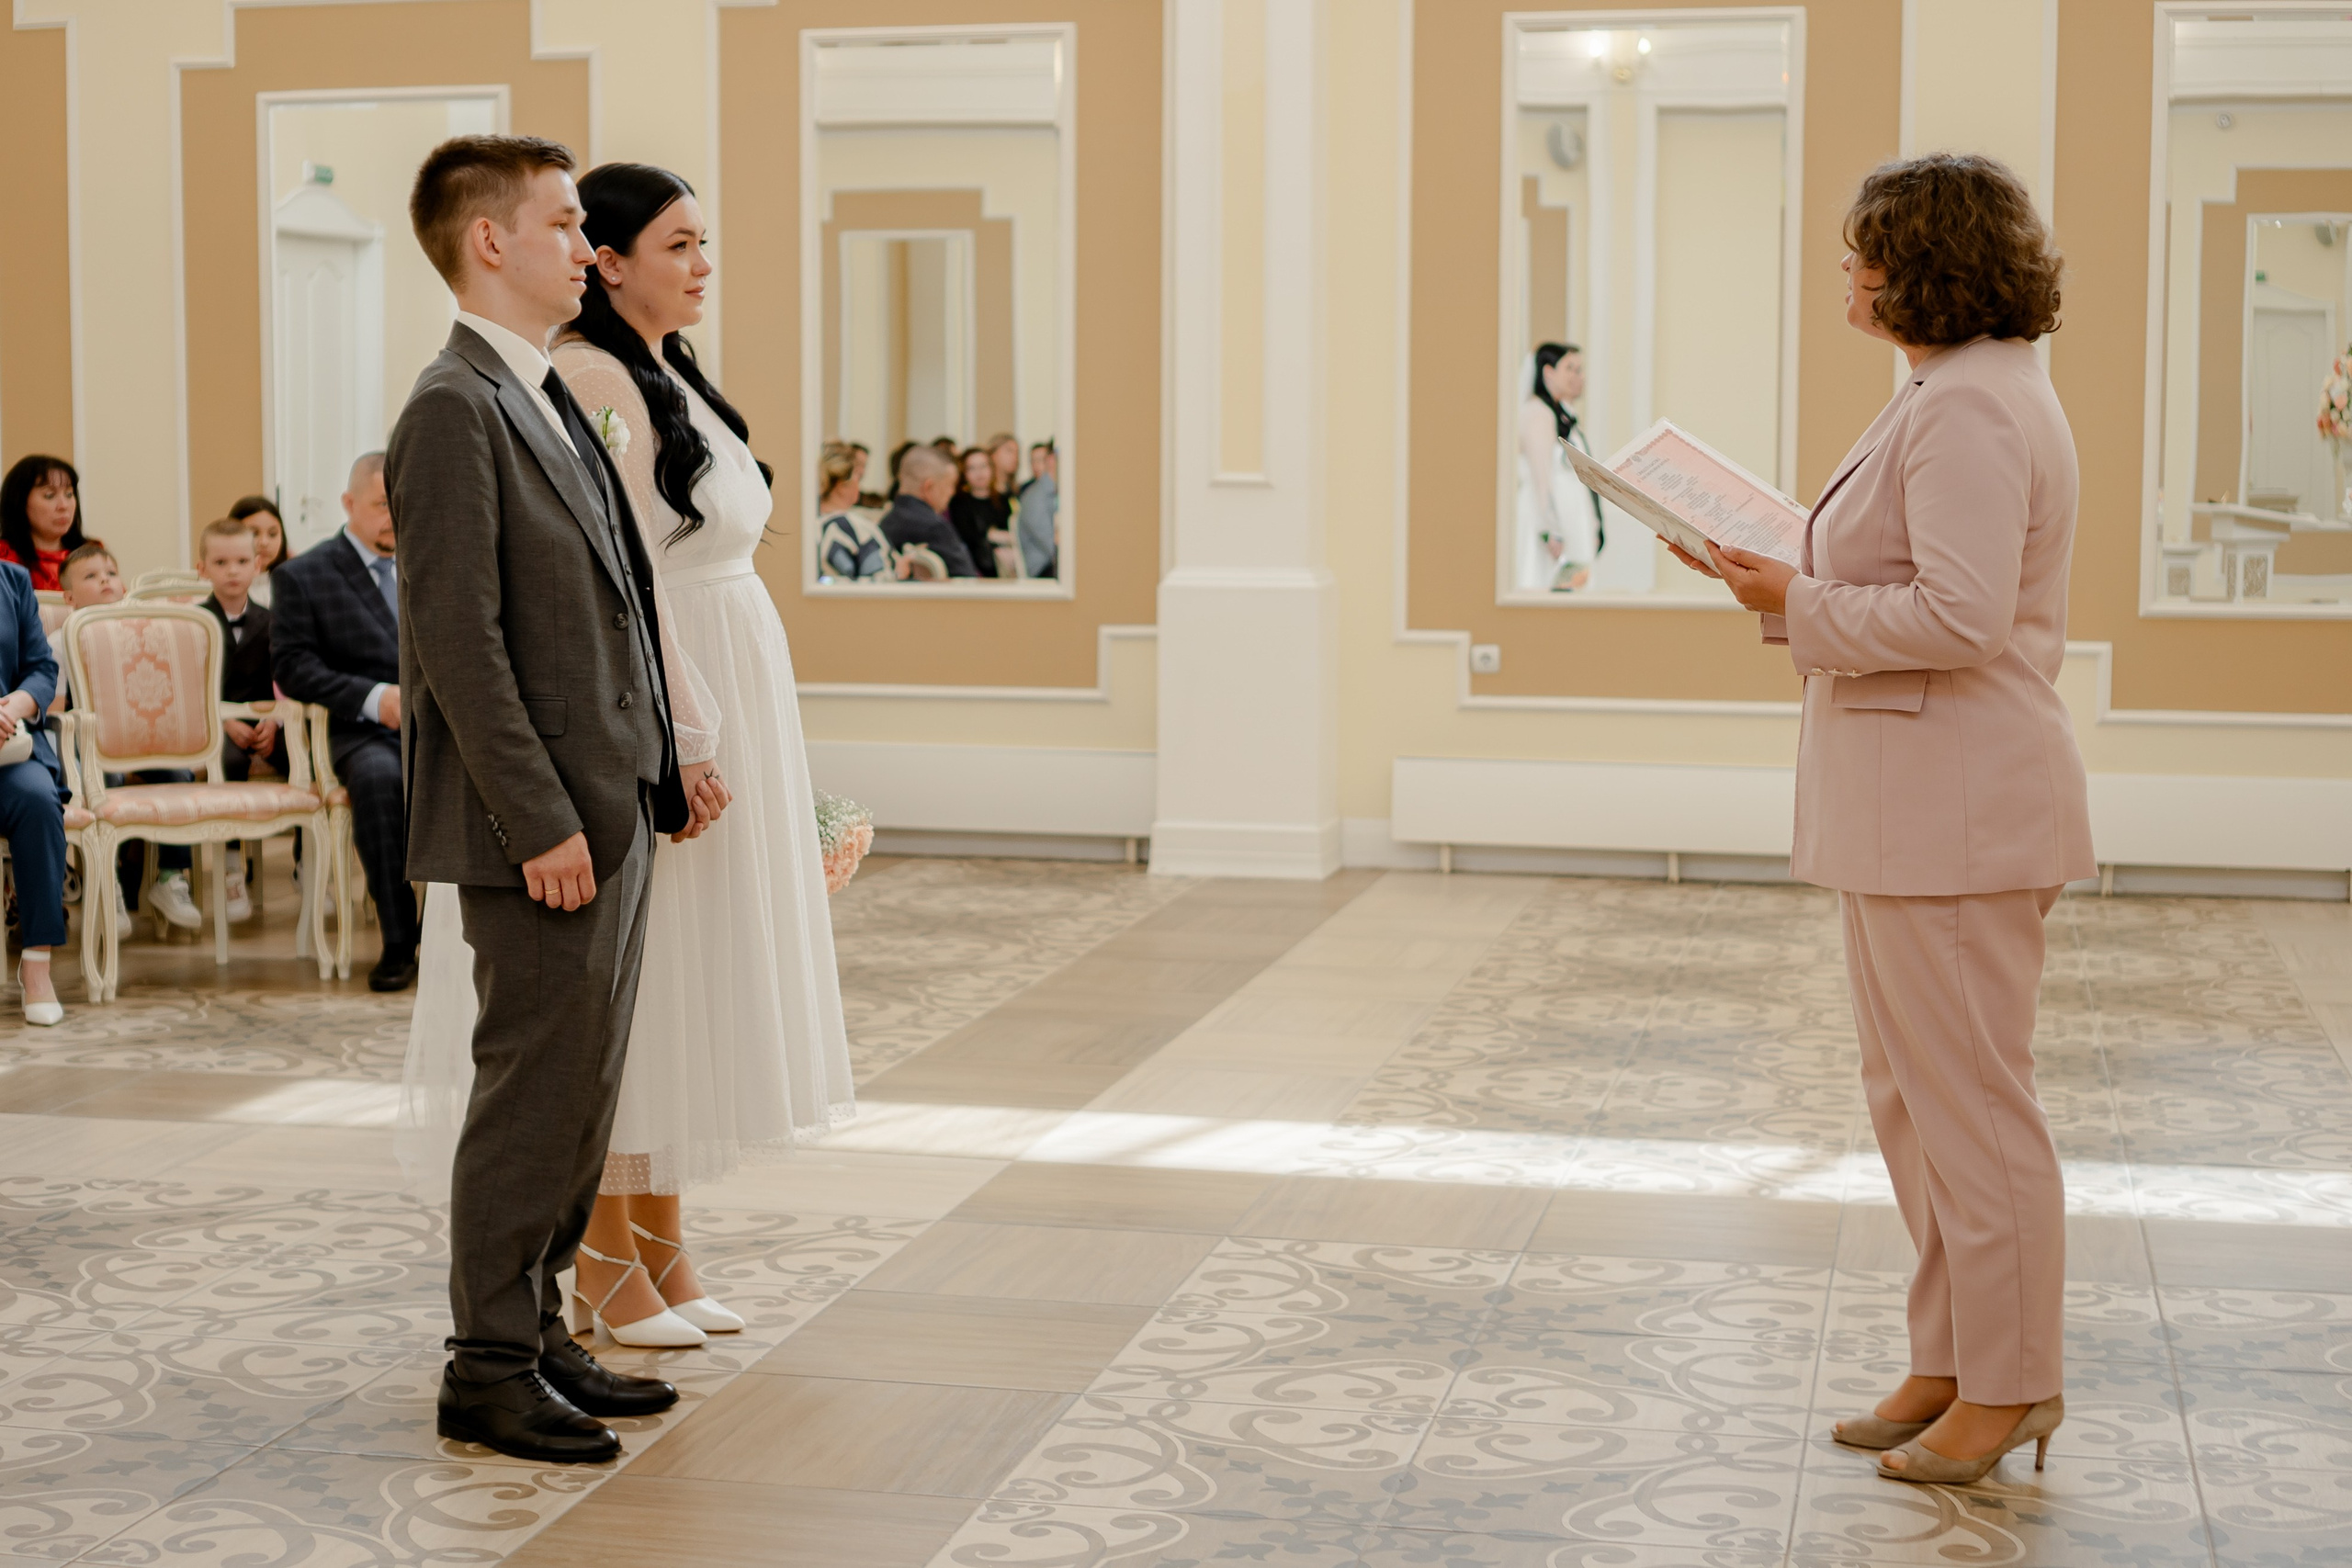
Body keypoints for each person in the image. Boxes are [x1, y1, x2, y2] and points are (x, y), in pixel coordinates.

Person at [1671, 152, 2086, 1487]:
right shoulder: (1954, 390)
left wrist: (1790, 603)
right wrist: (1782, 567)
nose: (1848, 274)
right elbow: (1911, 569)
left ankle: (2014, 1381)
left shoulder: (1969, 406)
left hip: (1956, 809)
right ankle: (1953, 1353)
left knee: (1971, 1106)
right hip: (1920, 807)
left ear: (1928, 264)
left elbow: (1960, 618)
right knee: (1914, 1102)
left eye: (1867, 252)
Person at [404, 158, 854, 1355]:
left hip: (714, 676)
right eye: (679, 243)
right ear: (598, 254)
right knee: (626, 1005)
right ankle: (593, 1265)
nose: (702, 264)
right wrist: (682, 739)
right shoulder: (563, 383)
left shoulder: (656, 372)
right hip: (646, 701)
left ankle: (656, 1239)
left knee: (681, 979)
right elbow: (621, 579)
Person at [387, 132, 725, 1466]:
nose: (586, 245)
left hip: (609, 798)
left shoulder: (541, 389)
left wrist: (657, 759)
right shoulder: (450, 406)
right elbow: (457, 643)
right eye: (565, 223)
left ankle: (542, 1328)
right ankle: (486, 1362)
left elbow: (618, 601)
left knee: (583, 1080)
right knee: (530, 1085)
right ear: (489, 242)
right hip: (538, 823)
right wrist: (540, 820)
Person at [270, 454, 417, 990]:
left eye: (400, 502)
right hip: (361, 729)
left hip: (442, 727)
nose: (393, 516)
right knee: (380, 784)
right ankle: (400, 941)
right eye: (382, 504)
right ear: (349, 504)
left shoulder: (432, 560)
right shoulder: (304, 576)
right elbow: (294, 666)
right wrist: (375, 698)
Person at [57, 543, 201, 932]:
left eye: (110, 573)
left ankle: (171, 877)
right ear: (69, 597)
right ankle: (111, 883)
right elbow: (55, 706)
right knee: (107, 783)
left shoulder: (138, 634)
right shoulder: (61, 641)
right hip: (84, 741)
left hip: (139, 739)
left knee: (178, 777)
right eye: (91, 576)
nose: (104, 580)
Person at [197, 517, 288, 923]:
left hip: (267, 722)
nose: (232, 571)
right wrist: (220, 720)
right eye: (220, 562)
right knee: (229, 763)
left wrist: (275, 721)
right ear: (203, 569)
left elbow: (285, 681)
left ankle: (305, 863)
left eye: (240, 561)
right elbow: (190, 687)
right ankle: (231, 866)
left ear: (257, 565)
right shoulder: (194, 624)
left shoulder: (276, 620)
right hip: (217, 727)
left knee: (307, 760)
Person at [0, 556, 67, 1025]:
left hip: (8, 746)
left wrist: (13, 705)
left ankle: (37, 966)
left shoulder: (12, 579)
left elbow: (42, 669)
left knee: (38, 801)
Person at [1516, 344, 1602, 592]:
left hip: (1571, 516)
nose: (1579, 376)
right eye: (1570, 368)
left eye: (1580, 369)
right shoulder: (1538, 414)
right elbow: (1540, 477)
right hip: (1550, 523)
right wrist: (1550, 530)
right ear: (1548, 373)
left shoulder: (1564, 416)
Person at [880, 446, 978, 576]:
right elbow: (968, 580)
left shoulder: (885, 523)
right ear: (929, 487)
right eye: (950, 485)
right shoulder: (935, 528)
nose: (952, 492)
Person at [0, 456, 88, 591]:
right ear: (20, 502)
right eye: (49, 495)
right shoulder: (5, 557)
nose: (63, 506)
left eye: (69, 494)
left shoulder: (90, 553)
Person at [948, 446, 1007, 578]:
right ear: (964, 473)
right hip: (973, 571)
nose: (979, 473)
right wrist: (991, 535)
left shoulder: (1004, 500)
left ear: (991, 468)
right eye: (972, 468)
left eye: (983, 466)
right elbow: (965, 536)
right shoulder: (958, 503)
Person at [226, 495, 288, 606]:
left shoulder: (290, 585)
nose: (264, 542)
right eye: (254, 533)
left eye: (272, 534)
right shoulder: (219, 586)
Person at [1016, 440, 1058, 579]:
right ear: (1052, 459)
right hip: (1043, 570)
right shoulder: (1035, 498)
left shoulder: (1058, 492)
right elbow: (1053, 547)